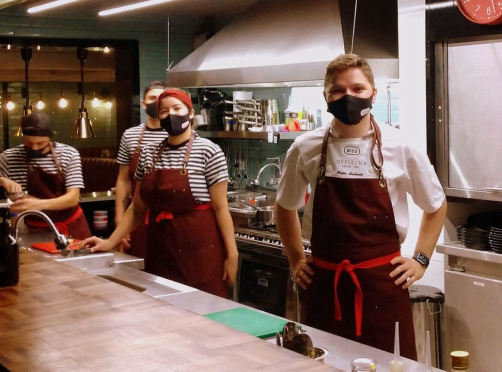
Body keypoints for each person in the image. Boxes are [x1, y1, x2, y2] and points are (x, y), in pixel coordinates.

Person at [275, 54, 447, 359]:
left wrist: (420, 259)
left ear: (373, 93)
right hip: (325, 285)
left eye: (357, 88)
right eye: (338, 91)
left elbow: (436, 206)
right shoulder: (305, 147)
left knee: (389, 365)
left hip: (383, 284)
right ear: (325, 96)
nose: (348, 97)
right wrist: (296, 259)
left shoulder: (401, 146)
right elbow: (284, 206)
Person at [81, 89, 238, 298]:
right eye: (164, 111)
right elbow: (137, 208)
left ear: (190, 113)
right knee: (162, 310)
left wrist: (232, 254)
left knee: (204, 311)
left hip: (199, 250)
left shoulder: (209, 151)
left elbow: (221, 208)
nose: (171, 115)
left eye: (177, 108)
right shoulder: (148, 154)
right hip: (161, 248)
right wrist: (110, 242)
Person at [0, 112, 91, 240]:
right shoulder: (11, 157)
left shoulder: (68, 154)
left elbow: (73, 198)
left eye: (41, 143)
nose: (34, 148)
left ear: (50, 139)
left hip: (71, 227)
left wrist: (39, 204)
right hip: (34, 231)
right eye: (29, 143)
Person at [114, 81, 168, 258]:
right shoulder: (130, 136)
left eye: (161, 98)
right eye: (152, 98)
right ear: (144, 104)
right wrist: (120, 218)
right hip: (136, 216)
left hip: (169, 215)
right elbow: (123, 180)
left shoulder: (179, 136)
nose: (157, 102)